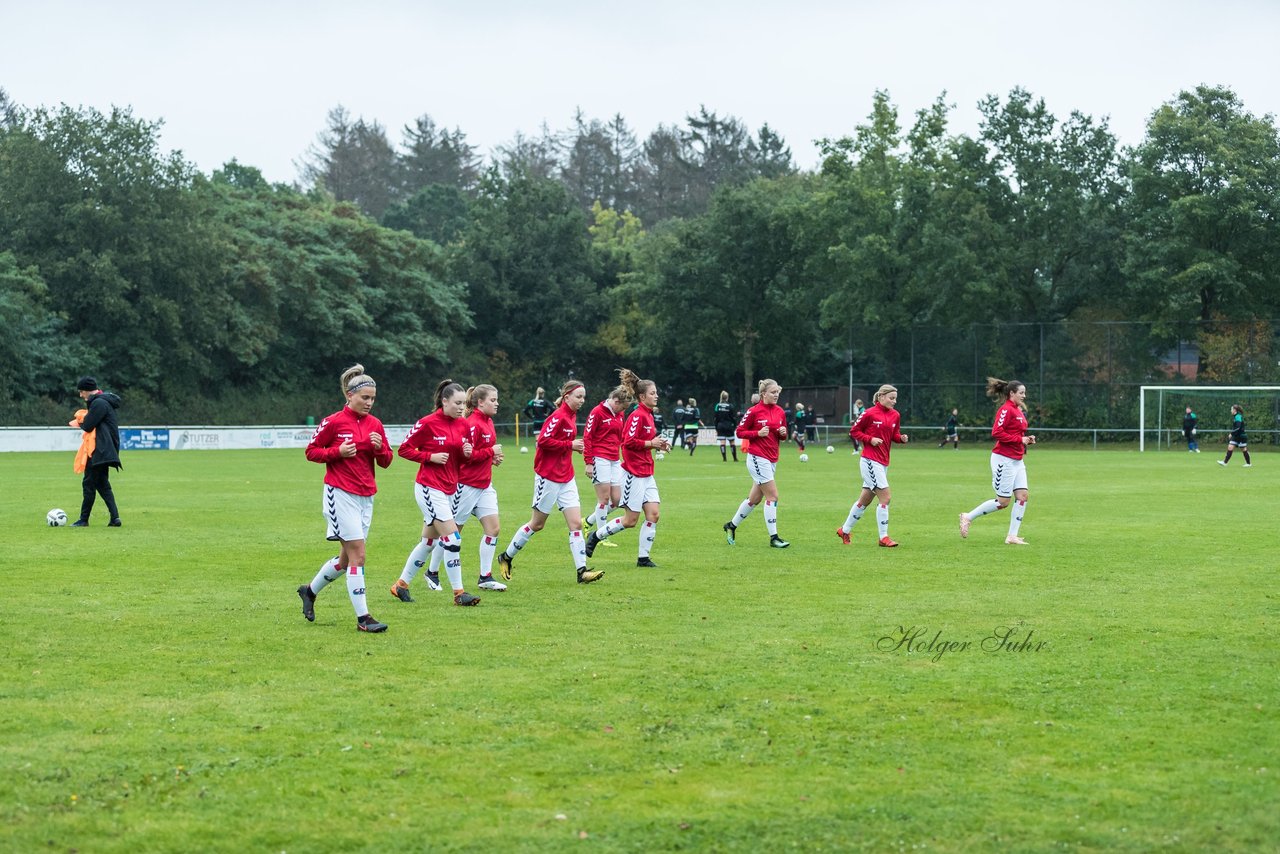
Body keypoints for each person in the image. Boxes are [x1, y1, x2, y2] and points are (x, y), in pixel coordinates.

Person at [297, 364, 395, 632]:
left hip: (366, 496)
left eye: (373, 398)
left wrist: (378, 449)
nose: (369, 403)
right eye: (365, 397)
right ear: (350, 395)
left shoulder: (375, 424)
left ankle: (309, 591)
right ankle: (364, 619)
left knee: (344, 561)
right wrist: (337, 451)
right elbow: (311, 452)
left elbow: (387, 461)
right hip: (339, 494)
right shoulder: (333, 422)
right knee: (358, 556)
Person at [497, 380, 603, 584]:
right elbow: (543, 441)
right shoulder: (558, 416)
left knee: (575, 524)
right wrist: (569, 445)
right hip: (548, 477)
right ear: (566, 397)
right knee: (537, 524)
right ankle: (506, 557)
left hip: (566, 477)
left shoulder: (571, 416)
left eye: (584, 397)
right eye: (578, 396)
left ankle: (582, 572)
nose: (582, 401)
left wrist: (571, 447)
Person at [392, 380, 481, 606]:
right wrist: (429, 457)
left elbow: (460, 459)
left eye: (464, 403)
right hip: (428, 487)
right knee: (452, 539)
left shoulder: (463, 426)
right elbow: (404, 449)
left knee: (429, 542)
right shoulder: (427, 423)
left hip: (449, 488)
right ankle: (459, 593)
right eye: (457, 403)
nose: (462, 408)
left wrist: (467, 453)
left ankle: (400, 585)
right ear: (444, 401)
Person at [585, 369, 672, 566]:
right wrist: (651, 444)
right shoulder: (636, 415)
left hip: (647, 473)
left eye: (656, 392)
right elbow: (628, 442)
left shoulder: (649, 415)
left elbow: (646, 440)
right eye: (653, 393)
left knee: (654, 514)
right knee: (630, 520)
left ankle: (643, 558)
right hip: (634, 473)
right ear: (642, 397)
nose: (656, 396)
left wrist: (660, 444)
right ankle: (596, 536)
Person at [958, 377, 1037, 546]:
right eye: (1021, 393)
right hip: (1004, 459)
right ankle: (968, 517)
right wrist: (1019, 440)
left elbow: (1018, 434)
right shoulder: (1006, 410)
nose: (1024, 396)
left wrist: (1027, 440)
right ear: (1012, 393)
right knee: (1003, 502)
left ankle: (1012, 536)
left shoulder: (1018, 410)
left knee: (1023, 496)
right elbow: (997, 432)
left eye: (1025, 393)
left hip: (1017, 460)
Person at [836, 384, 909, 547]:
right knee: (886, 497)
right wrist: (870, 439)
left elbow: (894, 434)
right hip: (870, 460)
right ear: (881, 397)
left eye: (895, 398)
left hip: (883, 462)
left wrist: (901, 438)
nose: (894, 401)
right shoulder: (868, 413)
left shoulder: (895, 415)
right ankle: (883, 537)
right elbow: (853, 432)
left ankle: (844, 530)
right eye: (891, 398)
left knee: (864, 501)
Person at [723, 379, 790, 549]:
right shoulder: (754, 411)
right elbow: (740, 431)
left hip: (772, 458)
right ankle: (774, 537)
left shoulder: (780, 411)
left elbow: (782, 436)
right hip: (757, 458)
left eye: (778, 392)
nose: (776, 395)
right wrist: (757, 433)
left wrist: (783, 433)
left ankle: (731, 525)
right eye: (773, 392)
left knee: (754, 499)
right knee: (773, 496)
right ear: (763, 394)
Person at [68, 376, 123, 527]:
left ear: (87, 391)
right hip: (105, 450)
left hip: (99, 450)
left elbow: (88, 426)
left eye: (81, 392)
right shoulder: (103, 401)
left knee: (89, 484)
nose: (81, 395)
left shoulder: (99, 403)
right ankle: (115, 518)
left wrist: (79, 420)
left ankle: (83, 520)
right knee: (102, 485)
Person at [583, 382, 632, 542]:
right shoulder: (597, 412)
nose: (623, 411)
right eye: (623, 407)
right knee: (604, 499)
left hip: (614, 459)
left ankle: (588, 521)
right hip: (599, 459)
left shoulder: (619, 414)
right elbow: (588, 437)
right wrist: (589, 462)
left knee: (617, 500)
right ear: (616, 401)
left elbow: (620, 436)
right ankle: (601, 536)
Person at [712, 391, 739, 462]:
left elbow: (715, 417)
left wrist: (716, 427)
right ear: (727, 397)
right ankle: (735, 458)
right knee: (732, 442)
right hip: (729, 426)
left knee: (722, 442)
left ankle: (724, 458)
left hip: (720, 426)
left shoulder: (717, 406)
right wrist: (735, 426)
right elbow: (734, 417)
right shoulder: (730, 406)